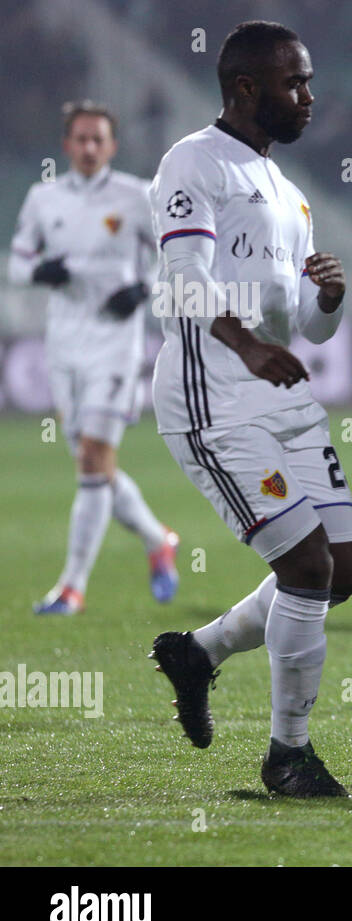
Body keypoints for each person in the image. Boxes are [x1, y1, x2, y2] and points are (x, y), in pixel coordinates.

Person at [145, 20, 352, 797]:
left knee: (344, 571)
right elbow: (181, 275)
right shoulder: (193, 162)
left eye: (308, 82)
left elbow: (307, 325)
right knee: (306, 566)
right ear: (245, 89)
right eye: (294, 84)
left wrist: (328, 300)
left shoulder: (291, 195)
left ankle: (199, 652)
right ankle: (288, 756)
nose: (308, 98)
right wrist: (242, 346)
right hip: (216, 399)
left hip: (282, 398)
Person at [9, 101, 179, 615]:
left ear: (112, 146)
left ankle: (72, 587)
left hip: (116, 346)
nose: (87, 148)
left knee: (90, 460)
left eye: (97, 139)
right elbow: (16, 263)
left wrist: (144, 290)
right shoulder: (43, 198)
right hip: (63, 347)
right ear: (66, 145)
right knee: (95, 465)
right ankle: (158, 540)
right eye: (79, 139)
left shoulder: (136, 196)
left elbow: (175, 255)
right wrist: (41, 273)